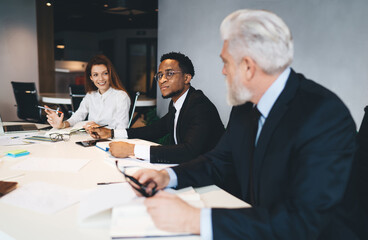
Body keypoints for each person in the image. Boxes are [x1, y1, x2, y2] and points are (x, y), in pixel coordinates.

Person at [130, 9, 367, 239]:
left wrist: (194, 220)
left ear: (248, 67)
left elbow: (302, 221)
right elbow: (219, 160)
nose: (223, 71)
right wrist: (168, 176)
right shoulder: (244, 107)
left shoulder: (323, 115)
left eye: (226, 62)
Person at [88, 52, 224, 164]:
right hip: (190, 170)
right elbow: (153, 130)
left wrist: (132, 150)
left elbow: (188, 152)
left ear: (186, 78)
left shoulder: (199, 105)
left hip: (216, 182)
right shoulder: (177, 103)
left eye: (169, 73)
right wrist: (110, 133)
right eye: (159, 75)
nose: (162, 80)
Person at [45, 54, 130, 130]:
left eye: (105, 73)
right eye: (95, 75)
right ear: (91, 78)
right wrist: (63, 124)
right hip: (90, 138)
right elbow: (78, 115)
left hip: (110, 142)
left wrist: (101, 129)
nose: (101, 79)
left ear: (110, 74)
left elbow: (122, 130)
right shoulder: (90, 95)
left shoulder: (121, 96)